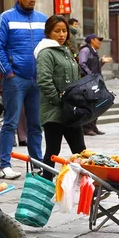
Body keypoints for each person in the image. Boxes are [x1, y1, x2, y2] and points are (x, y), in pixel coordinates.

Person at [0, 0, 46, 180]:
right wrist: (9, 72)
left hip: (37, 79)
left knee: (36, 124)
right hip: (15, 79)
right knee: (10, 123)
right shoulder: (6, 18)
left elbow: (48, 46)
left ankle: (37, 164)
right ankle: (5, 165)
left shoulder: (42, 19)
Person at [35, 15, 86, 181]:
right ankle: (45, 185)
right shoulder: (46, 53)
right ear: (49, 33)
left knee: (80, 151)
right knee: (52, 151)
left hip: (70, 111)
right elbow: (44, 80)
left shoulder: (67, 51)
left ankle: (90, 184)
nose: (62, 34)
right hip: (54, 111)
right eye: (57, 31)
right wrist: (58, 100)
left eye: (64, 31)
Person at [78, 34, 112, 136]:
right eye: (98, 40)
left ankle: (93, 126)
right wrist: (91, 75)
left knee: (96, 103)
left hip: (95, 81)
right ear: (92, 40)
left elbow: (93, 65)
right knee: (89, 104)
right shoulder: (86, 50)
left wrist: (101, 62)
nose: (100, 42)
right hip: (89, 82)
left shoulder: (94, 51)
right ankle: (86, 128)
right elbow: (82, 63)